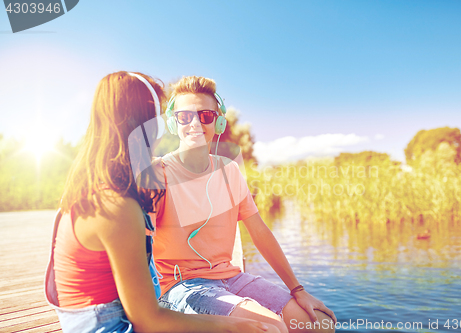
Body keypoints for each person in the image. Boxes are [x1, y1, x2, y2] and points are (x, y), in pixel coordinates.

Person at [44, 71, 278, 333]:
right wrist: (234, 326)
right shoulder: (116, 207)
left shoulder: (103, 189)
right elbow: (149, 320)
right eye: (157, 117)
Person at [152, 76, 337, 333]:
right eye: (185, 116)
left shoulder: (229, 171)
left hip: (232, 278)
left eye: (205, 115)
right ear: (174, 122)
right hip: (183, 286)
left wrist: (298, 290)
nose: (195, 123)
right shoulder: (158, 172)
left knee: (321, 324)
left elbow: (260, 232)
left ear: (218, 122)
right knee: (270, 327)